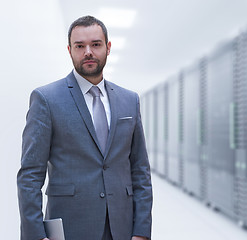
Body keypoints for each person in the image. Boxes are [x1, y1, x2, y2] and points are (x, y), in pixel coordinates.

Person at [17, 15, 152, 240]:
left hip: (122, 227)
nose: (88, 52)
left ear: (108, 48)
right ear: (69, 50)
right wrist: (36, 235)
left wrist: (142, 231)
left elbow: (140, 170)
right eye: (80, 46)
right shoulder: (46, 99)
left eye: (96, 44)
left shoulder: (130, 100)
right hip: (71, 226)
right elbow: (30, 174)